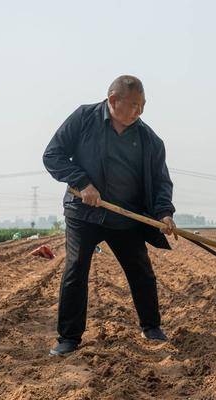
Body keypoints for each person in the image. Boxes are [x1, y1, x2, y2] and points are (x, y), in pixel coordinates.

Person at [43, 75, 177, 356]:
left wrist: (164, 213)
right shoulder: (84, 118)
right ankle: (68, 338)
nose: (139, 111)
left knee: (141, 270)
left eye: (143, 105)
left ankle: (151, 326)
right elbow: (52, 155)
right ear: (113, 100)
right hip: (84, 213)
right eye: (134, 105)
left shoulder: (150, 140)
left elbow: (161, 182)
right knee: (76, 269)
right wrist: (82, 183)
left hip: (126, 218)